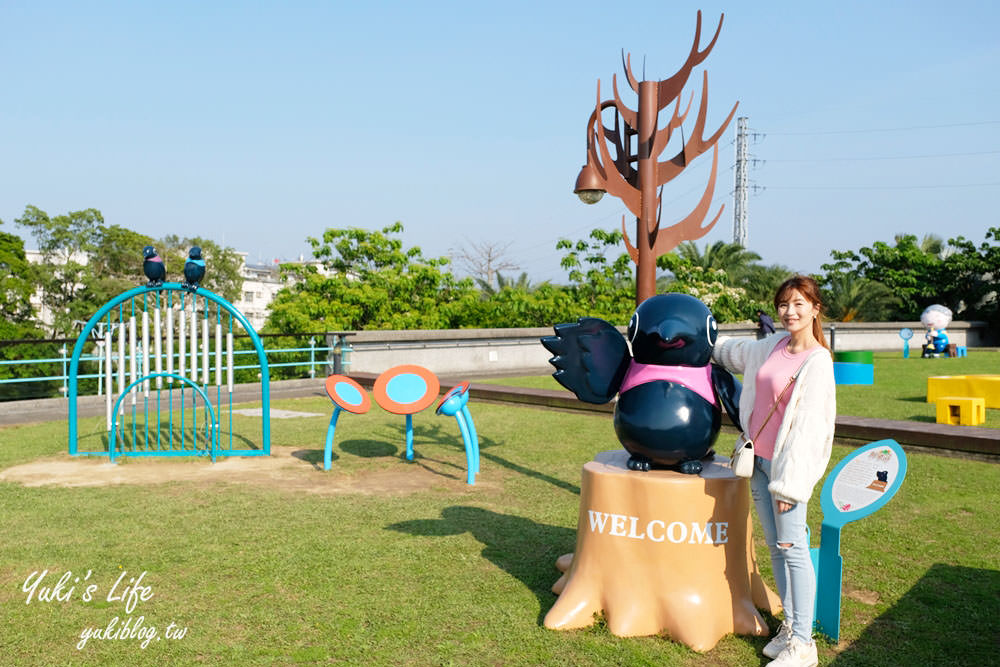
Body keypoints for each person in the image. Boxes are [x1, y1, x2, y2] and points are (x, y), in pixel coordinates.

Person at [713, 275, 836, 667]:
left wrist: (791, 487)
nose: (790, 312)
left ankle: (804, 644)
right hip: (759, 463)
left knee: (793, 549)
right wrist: (693, 332)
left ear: (815, 309)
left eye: (799, 304)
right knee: (777, 549)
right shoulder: (772, 346)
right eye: (784, 304)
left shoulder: (817, 361)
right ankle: (789, 628)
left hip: (785, 470)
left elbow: (810, 429)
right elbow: (732, 353)